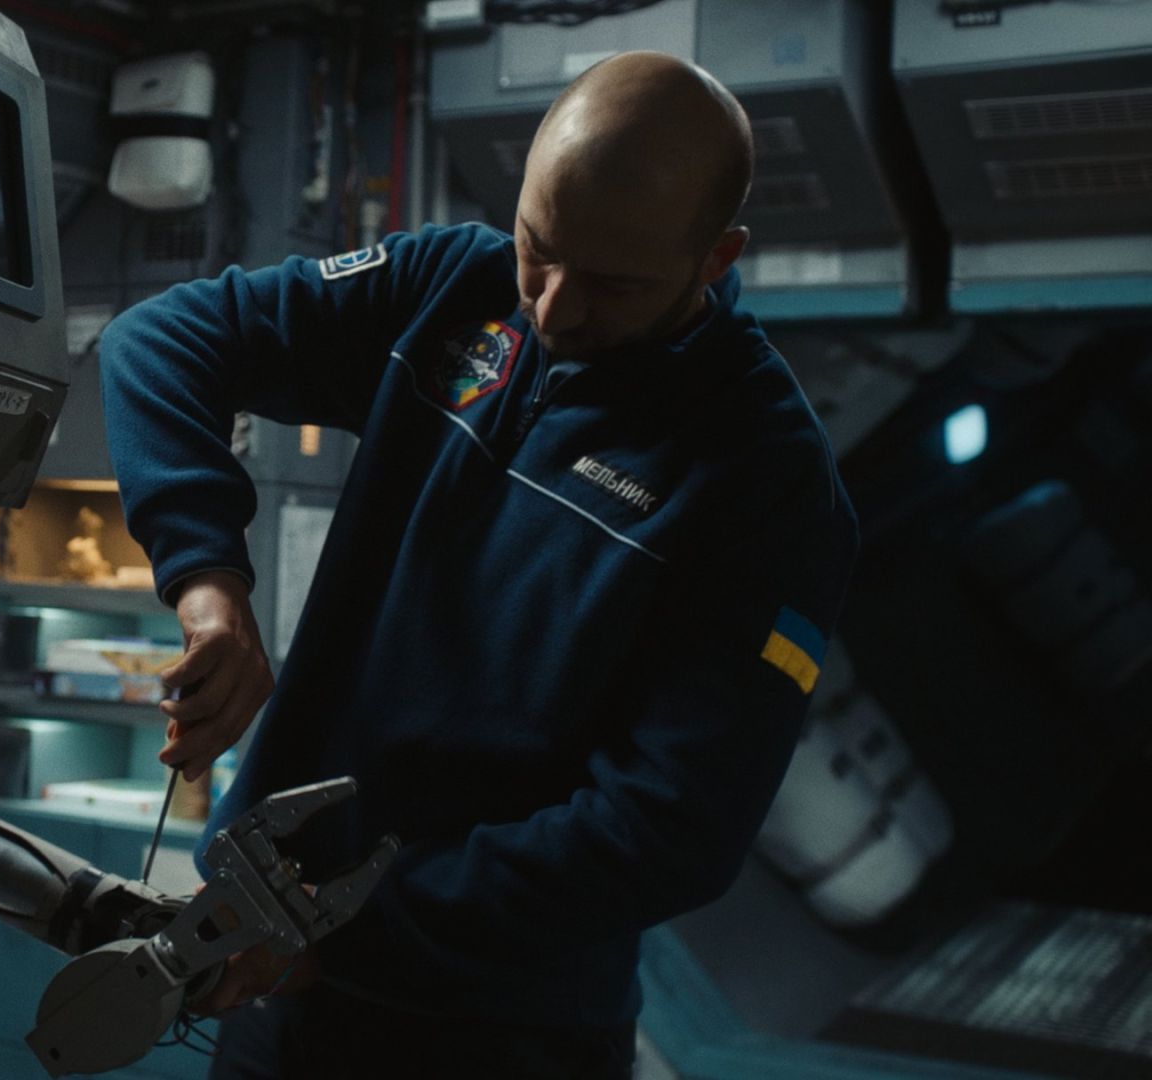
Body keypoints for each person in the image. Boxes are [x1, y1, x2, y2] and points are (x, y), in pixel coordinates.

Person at [98, 51, 859, 1078]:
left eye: (614, 283)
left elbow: (666, 830)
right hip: (276, 990)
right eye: (539, 248)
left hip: (499, 1035)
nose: (552, 310)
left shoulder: (767, 485)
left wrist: (350, 928)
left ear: (716, 258)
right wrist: (210, 589)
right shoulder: (452, 287)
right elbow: (160, 341)